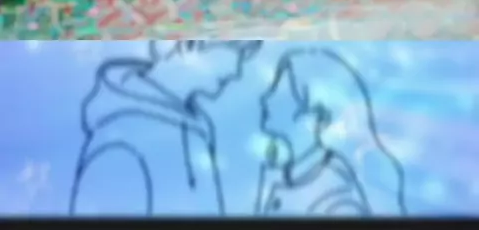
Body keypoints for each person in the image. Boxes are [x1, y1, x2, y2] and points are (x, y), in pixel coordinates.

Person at [69, 40, 262, 216]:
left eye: (244, 55)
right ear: (189, 45)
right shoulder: (124, 144)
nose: (237, 72)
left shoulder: (192, 131)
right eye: (237, 51)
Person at [255, 47, 406, 216]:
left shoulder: (339, 203)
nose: (265, 98)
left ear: (315, 114)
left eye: (278, 89)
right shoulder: (281, 175)